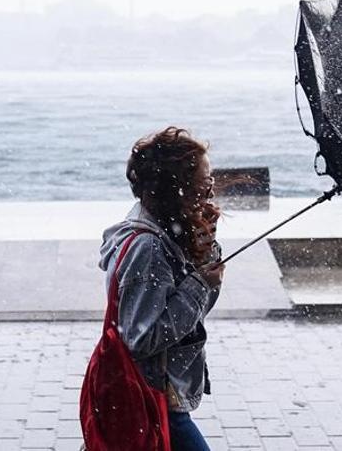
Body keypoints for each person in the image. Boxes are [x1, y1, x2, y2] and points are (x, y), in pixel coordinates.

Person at [97, 126, 224, 451]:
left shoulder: (163, 232)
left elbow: (190, 317)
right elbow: (142, 337)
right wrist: (199, 284)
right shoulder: (148, 248)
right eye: (202, 184)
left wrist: (204, 254)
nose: (210, 193)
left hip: (157, 396)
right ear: (176, 188)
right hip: (154, 397)